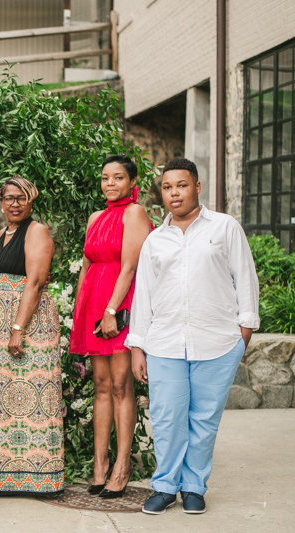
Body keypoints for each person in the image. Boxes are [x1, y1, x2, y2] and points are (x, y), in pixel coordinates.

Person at [127, 158, 259, 515]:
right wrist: (138, 345)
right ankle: (165, 486)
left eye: (181, 186)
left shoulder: (225, 227)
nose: (174, 193)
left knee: (204, 419)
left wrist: (242, 335)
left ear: (197, 187)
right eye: (168, 187)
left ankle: (194, 487)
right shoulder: (155, 240)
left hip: (217, 341)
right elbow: (144, 295)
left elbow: (245, 277)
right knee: (167, 416)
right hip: (165, 342)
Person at [70, 155, 152, 498]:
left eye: (118, 177)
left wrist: (111, 310)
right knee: (101, 385)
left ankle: (122, 465)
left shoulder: (135, 213)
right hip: (93, 302)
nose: (110, 183)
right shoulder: (95, 217)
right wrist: (79, 311)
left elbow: (131, 266)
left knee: (120, 385)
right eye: (105, 178)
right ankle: (99, 465)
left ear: (132, 182)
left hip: (120, 302)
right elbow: (87, 266)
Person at [0, 176, 64, 495]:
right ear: (0, 201)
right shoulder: (1, 234)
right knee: (1, 402)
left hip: (27, 325)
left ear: (31, 201)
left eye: (21, 198)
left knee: (34, 400)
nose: (14, 203)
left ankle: (41, 476)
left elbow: (36, 280)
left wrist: (18, 328)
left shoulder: (36, 231)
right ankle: (2, 476)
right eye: (8, 198)